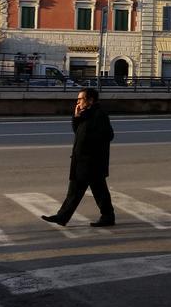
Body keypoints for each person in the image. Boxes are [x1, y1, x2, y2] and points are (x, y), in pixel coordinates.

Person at [42, 87, 116, 227]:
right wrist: (76, 117)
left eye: (80, 99)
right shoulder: (86, 113)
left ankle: (64, 217)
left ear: (90, 100)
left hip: (91, 161)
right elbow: (78, 131)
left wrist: (89, 146)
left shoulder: (99, 115)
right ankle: (106, 216)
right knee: (93, 190)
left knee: (82, 190)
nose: (78, 102)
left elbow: (108, 135)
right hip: (83, 161)